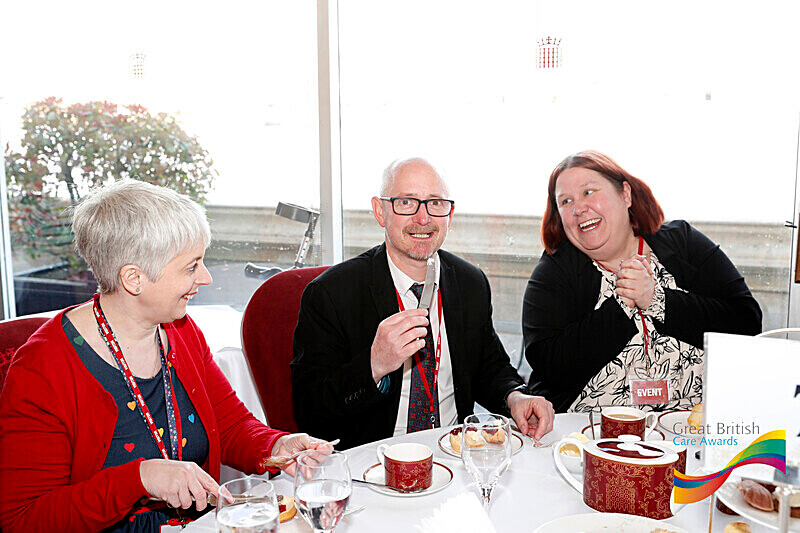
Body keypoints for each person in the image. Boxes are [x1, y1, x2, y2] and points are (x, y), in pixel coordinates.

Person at [0, 180, 331, 533]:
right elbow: (23, 520)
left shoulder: (180, 330)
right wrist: (139, 479)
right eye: (191, 267)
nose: (205, 278)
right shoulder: (43, 369)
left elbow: (230, 425)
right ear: (134, 279)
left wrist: (276, 444)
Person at [291, 157, 554, 450]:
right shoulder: (331, 293)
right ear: (380, 211)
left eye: (436, 203)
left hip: (455, 455)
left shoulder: (470, 283)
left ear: (450, 215)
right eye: (407, 202)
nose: (423, 218)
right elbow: (309, 411)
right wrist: (373, 365)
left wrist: (516, 396)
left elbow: (490, 367)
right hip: (375, 463)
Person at [522, 150, 762, 413]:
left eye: (589, 192)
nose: (579, 208)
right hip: (591, 434)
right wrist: (620, 307)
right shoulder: (554, 271)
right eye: (565, 201)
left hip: (696, 427)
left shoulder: (683, 243)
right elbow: (550, 368)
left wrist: (657, 300)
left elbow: (747, 324)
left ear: (625, 194)